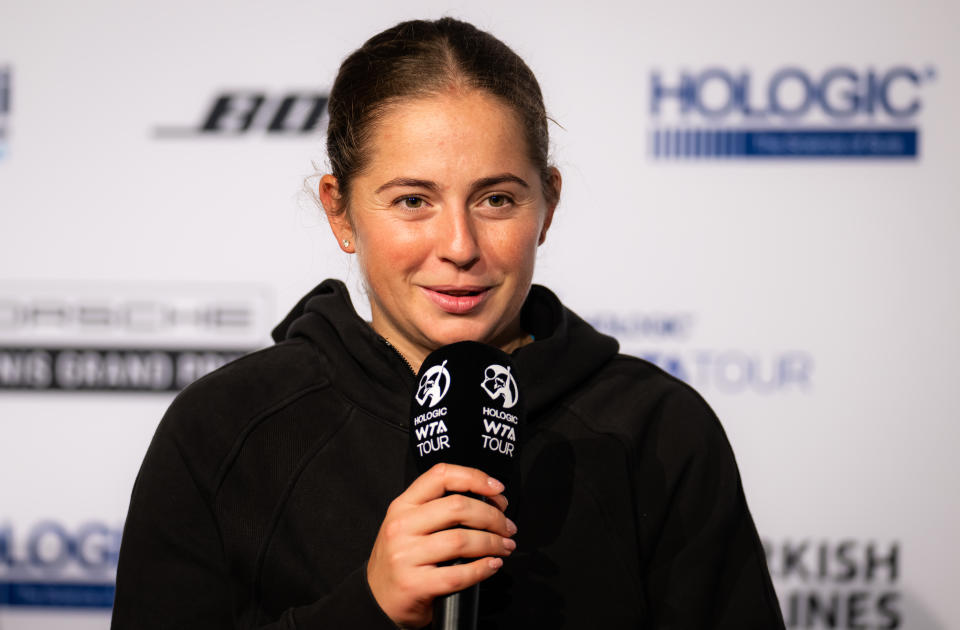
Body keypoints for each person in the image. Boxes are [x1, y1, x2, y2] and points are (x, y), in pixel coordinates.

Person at [111, 17, 785, 630]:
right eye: (413, 200)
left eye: (496, 199)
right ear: (341, 213)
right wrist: (367, 610)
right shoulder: (222, 428)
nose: (459, 245)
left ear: (547, 204)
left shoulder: (661, 431)